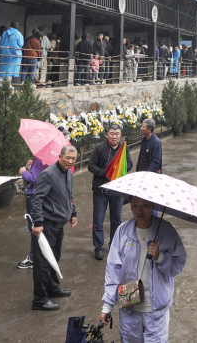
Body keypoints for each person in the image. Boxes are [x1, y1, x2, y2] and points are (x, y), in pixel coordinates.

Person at [99, 196, 187, 342]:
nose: (139, 210)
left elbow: (178, 264)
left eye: (145, 205)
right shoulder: (123, 232)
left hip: (156, 308)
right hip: (129, 305)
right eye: (135, 205)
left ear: (153, 205)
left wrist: (161, 257)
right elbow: (113, 270)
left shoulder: (166, 231)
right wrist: (107, 306)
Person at [30, 144, 78, 311]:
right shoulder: (48, 174)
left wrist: (73, 212)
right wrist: (38, 223)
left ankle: (52, 288)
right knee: (42, 263)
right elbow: (37, 199)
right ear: (59, 156)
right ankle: (40, 299)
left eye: (74, 159)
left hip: (59, 225)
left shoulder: (69, 173)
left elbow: (69, 194)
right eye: (67, 158)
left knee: (54, 258)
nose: (70, 161)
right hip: (46, 226)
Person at [87, 123, 132, 261]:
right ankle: (98, 247)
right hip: (101, 191)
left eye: (117, 134)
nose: (114, 136)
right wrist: (106, 173)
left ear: (120, 135)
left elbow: (129, 164)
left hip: (117, 191)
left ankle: (114, 245)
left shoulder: (124, 149)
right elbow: (90, 166)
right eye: (112, 133)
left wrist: (119, 171)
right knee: (98, 221)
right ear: (108, 134)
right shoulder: (100, 148)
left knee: (116, 221)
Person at [0, 21, 23, 86]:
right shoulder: (18, 34)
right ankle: (8, 84)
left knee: (3, 67)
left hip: (5, 53)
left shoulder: (5, 33)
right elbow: (21, 44)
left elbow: (1, 43)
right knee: (11, 69)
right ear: (17, 27)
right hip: (14, 53)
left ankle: (0, 82)